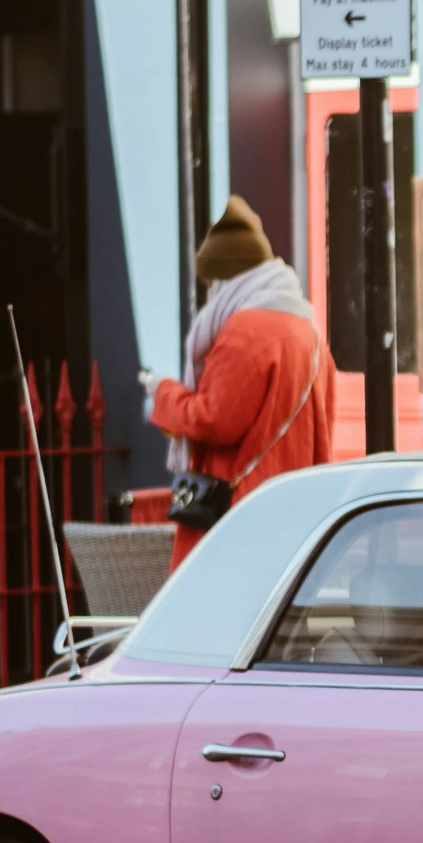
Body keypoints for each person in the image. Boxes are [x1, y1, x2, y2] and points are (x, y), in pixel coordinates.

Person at [144, 197, 335, 567]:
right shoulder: (307, 329)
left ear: (228, 279)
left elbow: (215, 419)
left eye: (212, 282)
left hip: (241, 518)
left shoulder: (244, 330)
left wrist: (164, 392)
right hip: (296, 511)